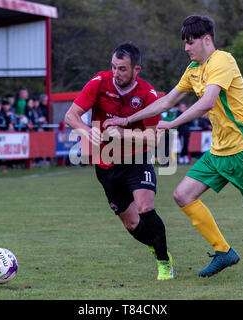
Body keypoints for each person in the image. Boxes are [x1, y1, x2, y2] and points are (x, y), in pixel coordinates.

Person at [104, 15, 243, 277]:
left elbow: (208, 101)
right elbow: (166, 102)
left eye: (190, 42)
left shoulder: (223, 61)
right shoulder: (193, 69)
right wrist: (128, 119)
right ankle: (223, 251)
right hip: (218, 153)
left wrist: (172, 124)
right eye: (184, 43)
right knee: (182, 195)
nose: (186, 48)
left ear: (206, 39)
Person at [64, 42, 174, 280]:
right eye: (113, 67)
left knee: (145, 208)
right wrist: (85, 130)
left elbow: (155, 137)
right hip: (105, 162)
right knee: (132, 225)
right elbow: (70, 116)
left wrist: (123, 133)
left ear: (137, 70)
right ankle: (157, 246)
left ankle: (164, 263)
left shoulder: (148, 94)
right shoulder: (99, 83)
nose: (116, 73)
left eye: (122, 69)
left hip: (137, 159)